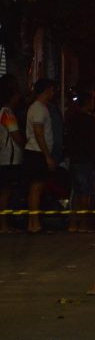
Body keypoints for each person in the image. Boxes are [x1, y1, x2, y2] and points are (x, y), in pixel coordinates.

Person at [23, 79, 57, 234]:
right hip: (37, 152)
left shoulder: (39, 107)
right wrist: (47, 156)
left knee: (35, 188)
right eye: (52, 90)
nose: (53, 93)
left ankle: (32, 223)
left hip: (36, 152)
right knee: (36, 188)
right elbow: (38, 133)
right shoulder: (38, 108)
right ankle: (34, 224)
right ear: (47, 90)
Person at [64, 90, 95, 233]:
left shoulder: (71, 118)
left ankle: (73, 223)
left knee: (75, 192)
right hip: (85, 159)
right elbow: (93, 139)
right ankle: (83, 224)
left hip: (74, 159)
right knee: (85, 192)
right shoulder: (89, 120)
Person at [0, 78, 25, 233]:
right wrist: (27, 145)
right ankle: (3, 225)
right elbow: (16, 136)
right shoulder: (7, 113)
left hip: (4, 157)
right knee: (6, 192)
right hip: (8, 158)